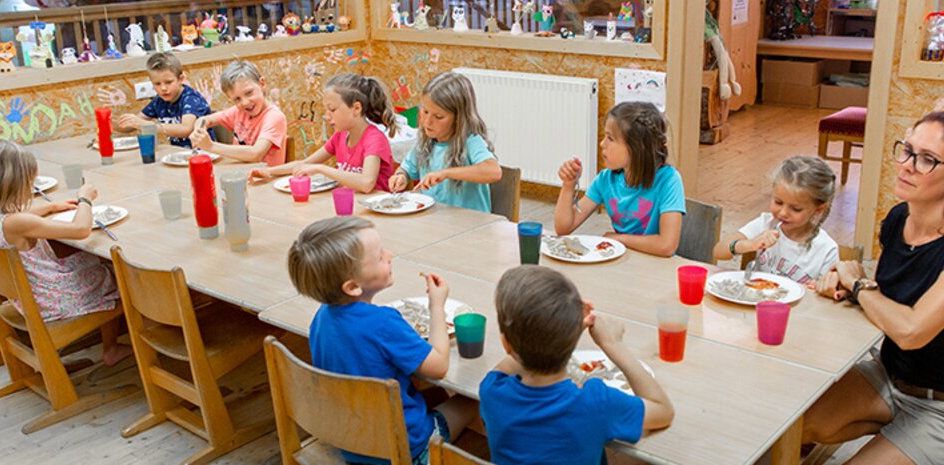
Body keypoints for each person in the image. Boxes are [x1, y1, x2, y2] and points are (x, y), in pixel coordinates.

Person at [804, 111, 944, 464]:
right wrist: (845, 290)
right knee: (801, 424)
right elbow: (890, 299)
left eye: (927, 159)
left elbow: (911, 331)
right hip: (890, 376)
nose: (907, 165)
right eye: (907, 150)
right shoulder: (899, 218)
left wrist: (858, 284)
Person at [286, 216, 477, 464]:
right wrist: (437, 306)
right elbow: (439, 366)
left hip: (350, 440)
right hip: (403, 448)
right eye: (379, 257)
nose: (390, 254)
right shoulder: (384, 323)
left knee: (433, 391)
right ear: (353, 286)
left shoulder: (321, 317)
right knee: (473, 402)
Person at [480, 265, 674, 465]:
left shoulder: (492, 392)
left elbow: (512, 358)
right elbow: (663, 411)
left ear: (506, 344)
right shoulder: (596, 403)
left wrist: (560, 327)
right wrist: (613, 344)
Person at [0, 140, 133, 366]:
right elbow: (80, 230)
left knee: (89, 261)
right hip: (51, 300)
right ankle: (114, 346)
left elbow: (21, 218)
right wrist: (85, 199)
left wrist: (51, 207)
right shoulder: (16, 223)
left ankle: (111, 346)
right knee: (117, 274)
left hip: (26, 296)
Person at [554, 101, 684, 257]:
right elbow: (563, 228)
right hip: (623, 263)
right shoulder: (605, 179)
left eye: (610, 138)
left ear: (637, 148)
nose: (602, 144)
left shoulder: (669, 181)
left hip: (656, 268)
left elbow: (666, 245)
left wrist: (618, 239)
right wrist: (568, 186)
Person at [247, 73, 396, 192]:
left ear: (356, 108)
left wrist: (321, 169)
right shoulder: (340, 136)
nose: (327, 115)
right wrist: (270, 172)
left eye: (332, 109)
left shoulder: (374, 139)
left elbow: (366, 183)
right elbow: (304, 163)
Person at [714, 156, 841, 284]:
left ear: (818, 210)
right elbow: (718, 251)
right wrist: (748, 244)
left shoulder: (826, 250)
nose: (783, 213)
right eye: (778, 202)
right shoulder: (765, 224)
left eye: (796, 209)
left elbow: (828, 294)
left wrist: (820, 289)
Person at [387, 72, 502, 211]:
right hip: (435, 221)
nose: (428, 121)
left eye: (439, 116)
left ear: (459, 118)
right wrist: (401, 177)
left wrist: (446, 173)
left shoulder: (471, 141)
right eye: (425, 111)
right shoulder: (425, 142)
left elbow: (494, 172)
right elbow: (406, 169)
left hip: (469, 225)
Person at [191, 61, 288, 165]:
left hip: (265, 178)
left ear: (262, 84)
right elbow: (205, 120)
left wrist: (210, 146)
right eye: (237, 99)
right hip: (239, 173)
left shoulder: (274, 117)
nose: (245, 103)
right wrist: (199, 130)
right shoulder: (238, 112)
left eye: (249, 93)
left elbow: (256, 154)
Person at [114, 52, 211, 148]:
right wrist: (108, 123)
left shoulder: (191, 99)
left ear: (181, 78)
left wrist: (146, 124)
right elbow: (131, 125)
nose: (163, 88)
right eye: (157, 84)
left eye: (168, 82)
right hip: (178, 154)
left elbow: (186, 129)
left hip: (203, 154)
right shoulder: (159, 101)